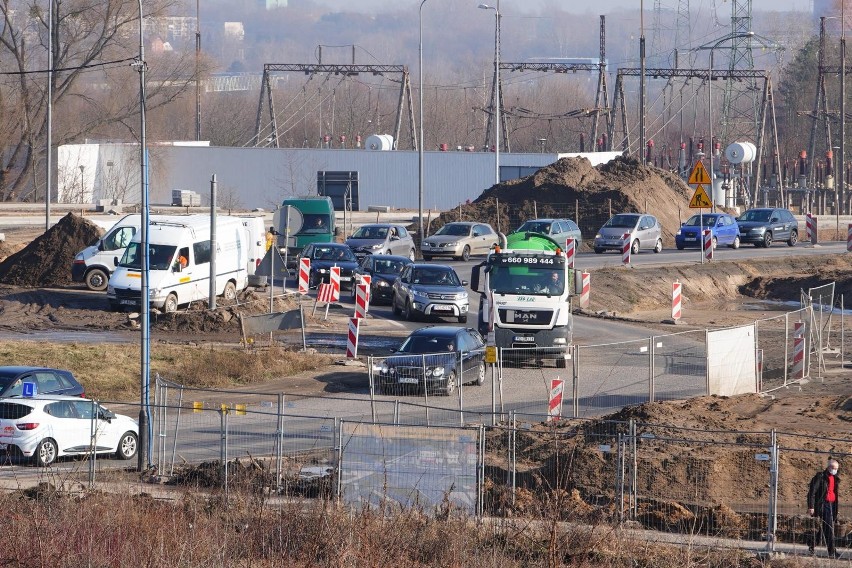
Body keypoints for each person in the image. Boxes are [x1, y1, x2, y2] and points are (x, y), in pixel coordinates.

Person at [808, 459, 841, 558]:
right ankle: (832, 552)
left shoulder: (835, 478)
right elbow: (812, 492)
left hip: (832, 505)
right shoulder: (820, 477)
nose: (835, 470)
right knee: (829, 528)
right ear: (828, 467)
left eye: (836, 469)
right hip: (823, 505)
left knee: (824, 528)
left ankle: (812, 545)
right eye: (833, 468)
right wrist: (811, 507)